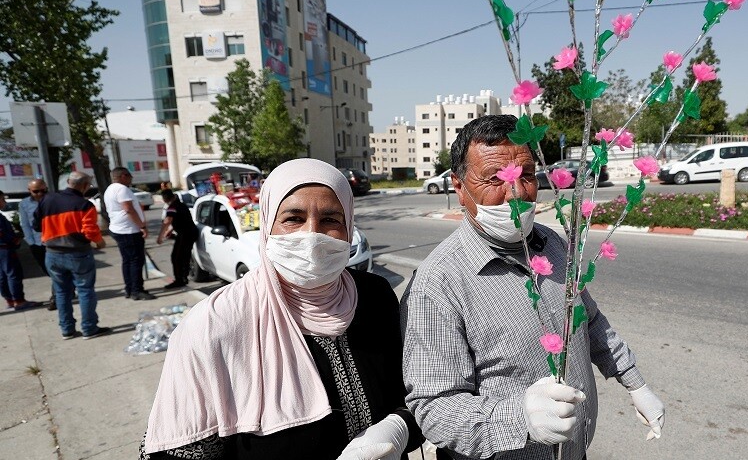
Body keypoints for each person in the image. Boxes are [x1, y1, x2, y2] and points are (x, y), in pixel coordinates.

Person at [401, 115, 665, 460]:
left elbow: (589, 321)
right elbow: (434, 408)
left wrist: (635, 382)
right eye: (495, 178)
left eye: (525, 175)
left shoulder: (553, 244)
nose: (515, 192)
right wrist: (519, 418)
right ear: (458, 186)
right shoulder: (437, 284)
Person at [142, 158, 423, 459]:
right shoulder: (215, 324)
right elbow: (177, 451)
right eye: (293, 218)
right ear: (267, 226)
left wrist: (400, 426)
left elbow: (418, 392)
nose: (311, 235)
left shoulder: (374, 296)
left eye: (331, 219)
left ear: (349, 226)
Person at [34, 171, 111, 340]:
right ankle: (89, 328)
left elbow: (36, 224)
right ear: (84, 186)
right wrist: (100, 243)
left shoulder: (47, 199)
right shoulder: (84, 205)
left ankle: (67, 330)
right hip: (78, 254)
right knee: (85, 291)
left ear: (68, 182)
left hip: (52, 254)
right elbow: (90, 231)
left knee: (61, 293)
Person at [104, 167, 155, 300]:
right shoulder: (122, 189)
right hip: (129, 231)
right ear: (123, 176)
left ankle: (129, 288)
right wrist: (142, 226)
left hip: (119, 229)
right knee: (136, 261)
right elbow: (129, 209)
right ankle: (137, 290)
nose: (131, 178)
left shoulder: (110, 189)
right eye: (129, 176)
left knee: (127, 261)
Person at [19, 179, 56, 310]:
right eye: (36, 191)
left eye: (43, 190)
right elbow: (25, 224)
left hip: (54, 242)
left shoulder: (53, 200)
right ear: (29, 191)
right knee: (47, 270)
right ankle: (64, 289)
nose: (40, 193)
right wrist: (31, 242)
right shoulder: (24, 204)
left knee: (55, 271)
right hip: (37, 243)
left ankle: (56, 296)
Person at [0, 190, 39, 311]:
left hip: (4, 247)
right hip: (5, 248)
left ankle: (10, 300)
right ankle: (18, 300)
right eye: (2, 200)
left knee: (2, 275)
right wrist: (13, 240)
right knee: (12, 274)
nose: (4, 202)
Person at [155, 189, 199, 289]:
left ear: (165, 199)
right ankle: (183, 277)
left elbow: (167, 221)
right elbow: (180, 219)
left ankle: (180, 279)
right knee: (183, 256)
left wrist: (160, 237)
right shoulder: (180, 204)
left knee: (176, 257)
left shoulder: (172, 207)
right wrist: (170, 230)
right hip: (188, 233)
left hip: (185, 234)